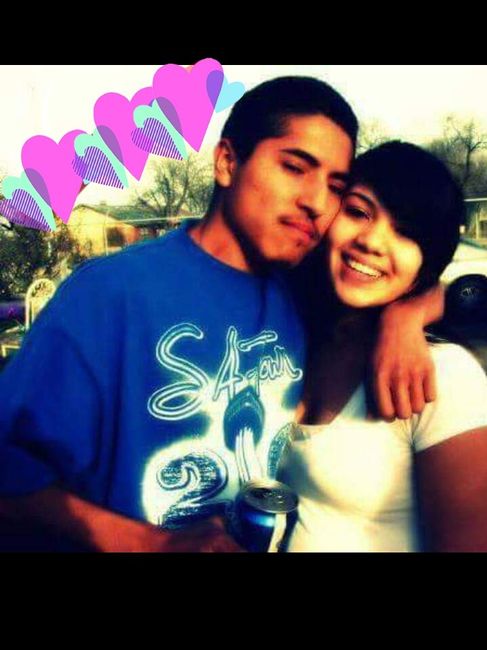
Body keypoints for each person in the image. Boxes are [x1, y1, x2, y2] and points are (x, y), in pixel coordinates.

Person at [0, 78, 441, 552]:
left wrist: (403, 319)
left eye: (335, 187)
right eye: (295, 167)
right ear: (227, 162)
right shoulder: (110, 293)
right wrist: (152, 544)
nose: (316, 203)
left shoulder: (303, 292)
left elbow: (443, 285)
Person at [279, 141, 487, 552]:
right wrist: (407, 313)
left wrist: (407, 314)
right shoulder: (290, 328)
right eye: (358, 212)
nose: (372, 241)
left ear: (428, 263)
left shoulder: (444, 378)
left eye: (406, 233)